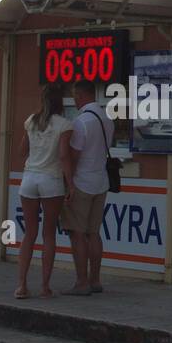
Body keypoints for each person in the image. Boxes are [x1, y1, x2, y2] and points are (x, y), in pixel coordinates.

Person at [14, 83, 73, 299]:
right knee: (48, 234)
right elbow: (65, 156)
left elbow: (22, 151)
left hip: (29, 178)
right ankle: (45, 286)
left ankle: (21, 285)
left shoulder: (31, 121)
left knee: (29, 233)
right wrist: (71, 184)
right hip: (51, 180)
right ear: (61, 102)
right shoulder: (65, 125)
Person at [62, 79, 111, 297]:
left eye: (74, 95)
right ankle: (95, 280)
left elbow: (72, 156)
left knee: (78, 234)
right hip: (101, 181)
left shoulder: (81, 122)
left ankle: (81, 282)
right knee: (94, 233)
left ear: (80, 95)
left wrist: (67, 183)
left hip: (82, 183)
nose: (74, 99)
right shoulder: (106, 118)